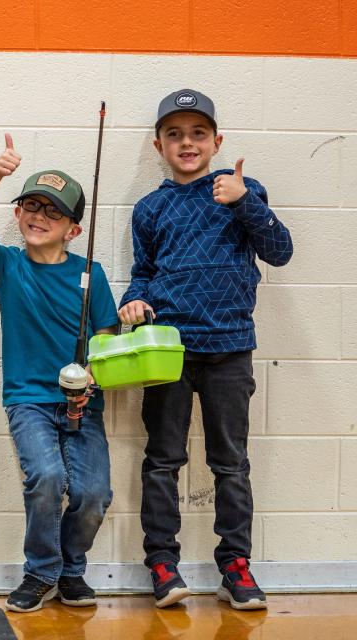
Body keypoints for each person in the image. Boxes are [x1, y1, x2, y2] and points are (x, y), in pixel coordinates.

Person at [118, 89, 293, 610]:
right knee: (162, 461)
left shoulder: (243, 190)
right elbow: (142, 275)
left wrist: (245, 203)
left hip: (231, 349)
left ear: (216, 141)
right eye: (175, 134)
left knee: (232, 464)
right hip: (168, 351)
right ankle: (163, 565)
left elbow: (280, 252)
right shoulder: (150, 208)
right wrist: (133, 303)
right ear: (159, 146)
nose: (186, 143)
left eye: (197, 133)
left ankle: (236, 567)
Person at [0, 134, 119, 612]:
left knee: (94, 493)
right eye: (31, 205)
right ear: (17, 213)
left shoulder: (92, 273)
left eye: (53, 212)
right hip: (27, 400)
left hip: (84, 404)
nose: (39, 217)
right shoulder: (7, 266)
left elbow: (106, 335)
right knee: (46, 477)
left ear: (73, 229)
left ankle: (72, 571)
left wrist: (91, 375)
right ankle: (40, 572)